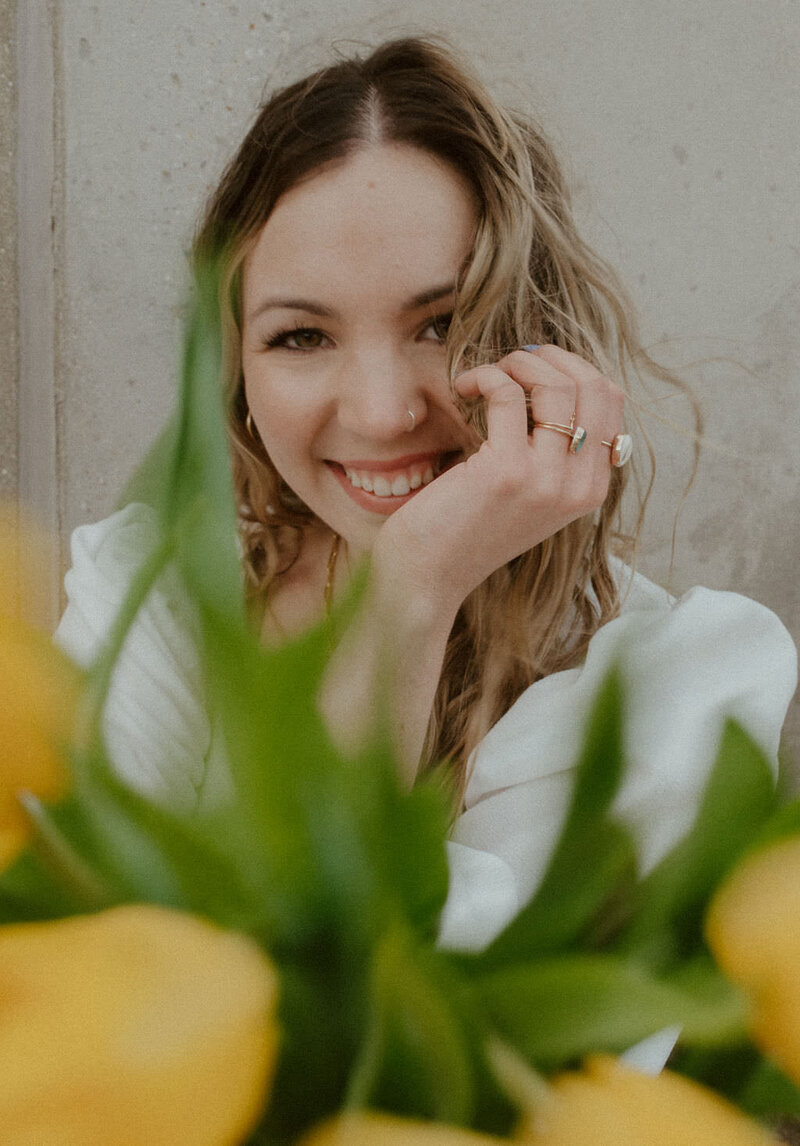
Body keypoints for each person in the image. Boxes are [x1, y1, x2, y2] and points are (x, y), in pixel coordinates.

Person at [54, 36, 797, 952]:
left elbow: (368, 1020)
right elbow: (75, 974)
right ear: (234, 363)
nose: (380, 411)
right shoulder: (153, 587)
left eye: (441, 325)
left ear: (540, 334)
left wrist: (410, 584)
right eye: (300, 337)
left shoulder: (675, 683)